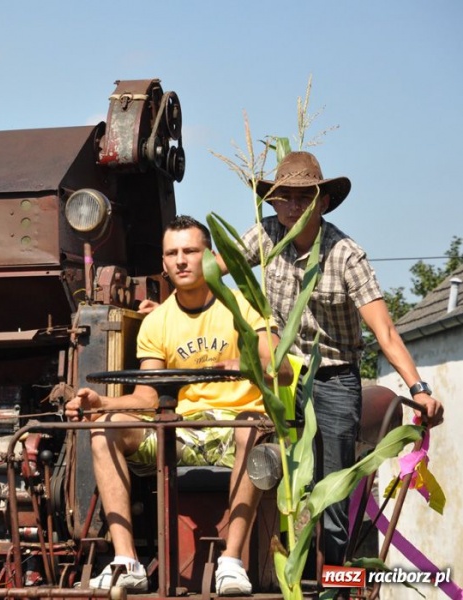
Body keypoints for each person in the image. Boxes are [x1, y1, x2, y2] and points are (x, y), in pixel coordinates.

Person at [67, 215, 291, 596]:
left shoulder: (244, 306)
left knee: (252, 430)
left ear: (209, 257)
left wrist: (251, 362)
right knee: (106, 429)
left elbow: (282, 371)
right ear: (165, 264)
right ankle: (128, 563)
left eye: (191, 251)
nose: (182, 260)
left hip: (238, 426)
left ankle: (232, 563)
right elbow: (149, 398)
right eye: (173, 253)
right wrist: (101, 401)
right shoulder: (158, 322)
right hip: (184, 430)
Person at [241, 150, 444, 569]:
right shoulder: (264, 236)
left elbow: (384, 330)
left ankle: (334, 583)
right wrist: (171, 300)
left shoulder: (346, 253)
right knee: (275, 473)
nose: (293, 207)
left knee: (331, 491)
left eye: (304, 198)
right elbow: (213, 271)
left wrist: (418, 389)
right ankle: (269, 570)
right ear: (273, 202)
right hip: (282, 377)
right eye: (284, 198)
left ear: (323, 202)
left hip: (333, 379)